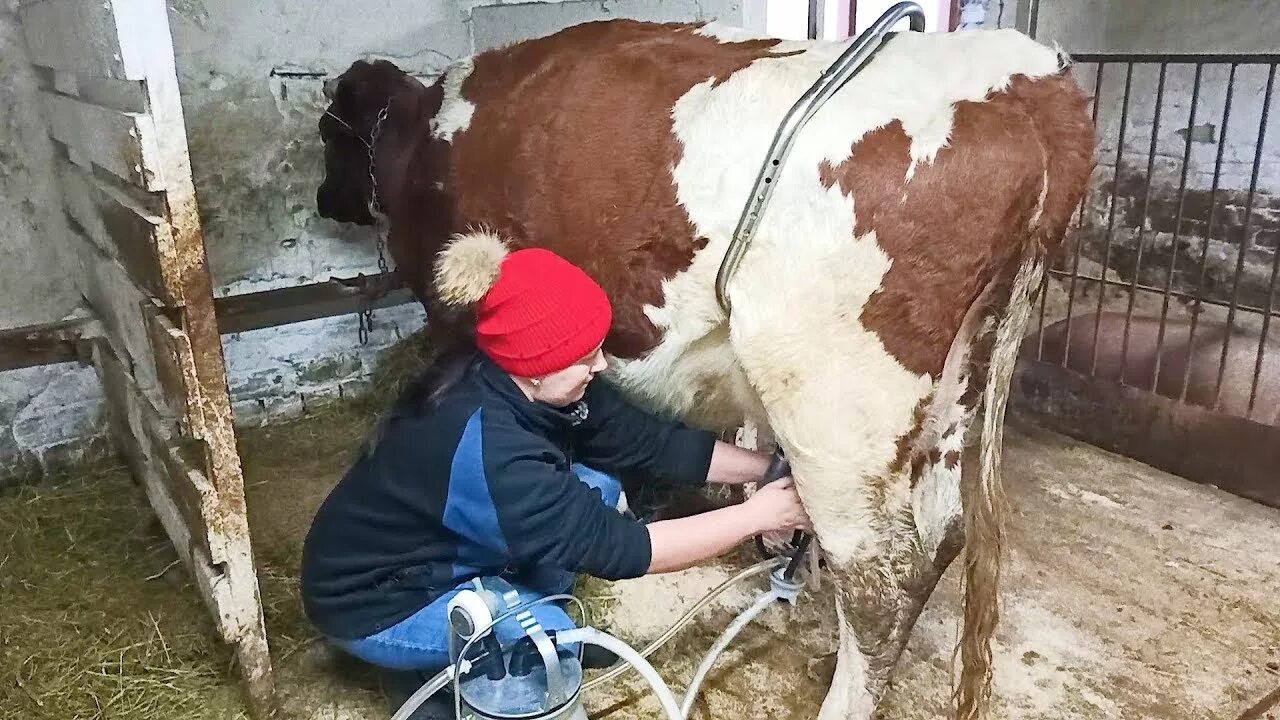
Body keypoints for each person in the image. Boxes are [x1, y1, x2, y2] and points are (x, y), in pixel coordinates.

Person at [299, 239, 810, 717]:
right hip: (379, 600)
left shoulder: (534, 379)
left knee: (603, 486)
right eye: (585, 356)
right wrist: (756, 515)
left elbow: (653, 442)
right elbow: (627, 550)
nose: (601, 363)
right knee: (547, 643)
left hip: (439, 545)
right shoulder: (492, 451)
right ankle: (432, 680)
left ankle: (495, 612)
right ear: (537, 366)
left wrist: (771, 471)